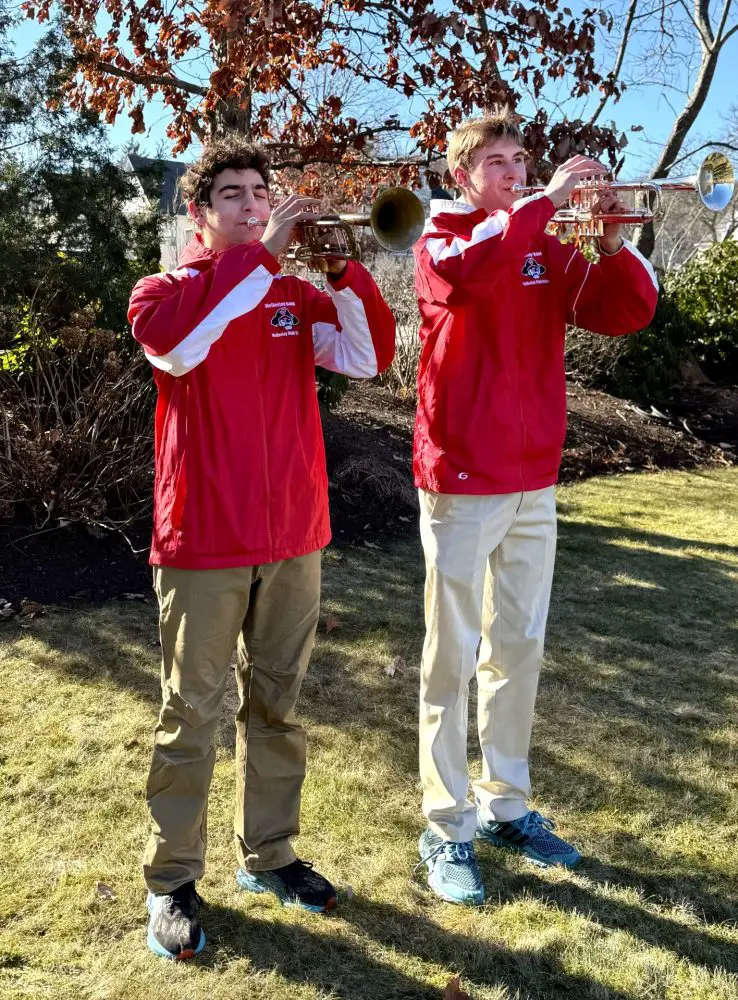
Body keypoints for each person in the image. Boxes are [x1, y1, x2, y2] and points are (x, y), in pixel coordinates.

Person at [128, 136, 396, 958]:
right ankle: (172, 880)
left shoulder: (287, 294)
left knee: (277, 705)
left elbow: (369, 356)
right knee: (192, 714)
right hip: (205, 539)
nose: (253, 206)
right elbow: (181, 347)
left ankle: (270, 854)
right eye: (234, 195)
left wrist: (344, 274)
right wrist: (262, 256)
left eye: (261, 192)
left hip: (293, 536)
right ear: (200, 212)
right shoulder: (163, 293)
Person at [412, 112, 658, 905]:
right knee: (451, 658)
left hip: (533, 481)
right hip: (459, 479)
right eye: (496, 163)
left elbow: (626, 312)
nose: (515, 173)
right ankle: (446, 827)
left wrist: (614, 241)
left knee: (517, 647)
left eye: (521, 161)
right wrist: (545, 205)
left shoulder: (540, 242)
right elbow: (466, 278)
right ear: (462, 176)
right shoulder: (441, 236)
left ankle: (505, 806)